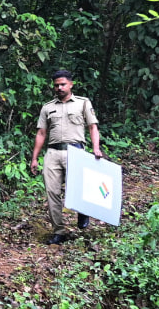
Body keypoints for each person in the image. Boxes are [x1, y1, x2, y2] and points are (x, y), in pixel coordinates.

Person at [29, 69, 103, 245]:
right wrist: (34, 158)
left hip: (76, 151)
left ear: (71, 84)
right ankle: (59, 231)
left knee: (77, 188)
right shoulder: (48, 107)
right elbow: (41, 133)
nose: (59, 88)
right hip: (53, 152)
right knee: (52, 192)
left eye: (63, 84)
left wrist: (96, 149)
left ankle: (82, 212)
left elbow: (93, 127)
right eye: (56, 85)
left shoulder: (83, 103)